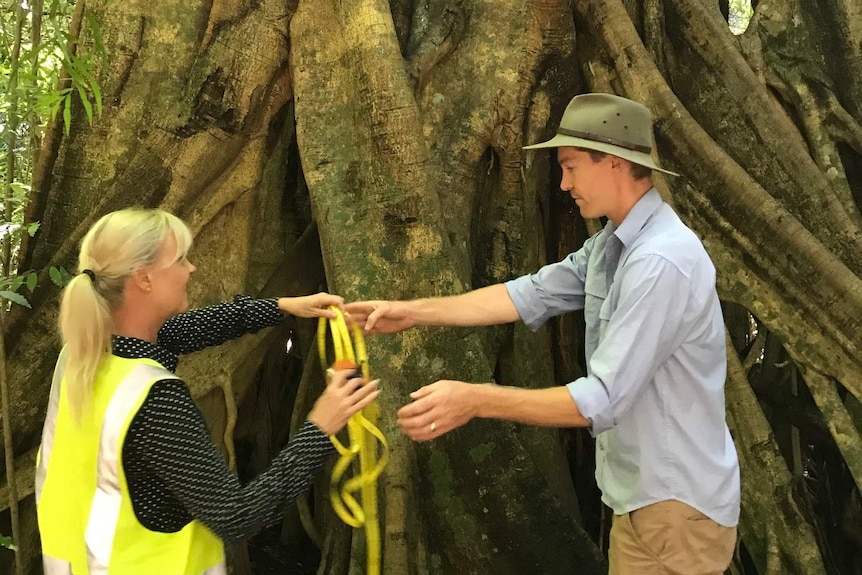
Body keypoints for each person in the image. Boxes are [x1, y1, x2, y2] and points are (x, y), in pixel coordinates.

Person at [346, 93, 740, 575]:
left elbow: (601, 401)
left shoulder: (659, 260)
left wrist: (475, 400)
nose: (563, 183)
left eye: (571, 167)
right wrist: (409, 313)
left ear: (614, 163)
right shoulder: (611, 245)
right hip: (642, 503)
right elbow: (529, 293)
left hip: (677, 511)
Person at [35, 208, 379, 575]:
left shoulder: (82, 351)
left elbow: (180, 330)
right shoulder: (154, 399)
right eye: (180, 259)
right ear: (144, 279)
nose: (191, 268)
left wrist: (282, 306)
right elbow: (237, 517)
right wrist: (319, 428)